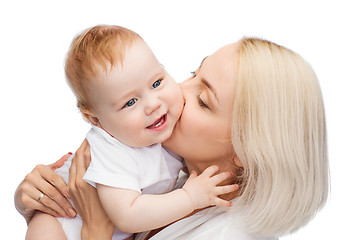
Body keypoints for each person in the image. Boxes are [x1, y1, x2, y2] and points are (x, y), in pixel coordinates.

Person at [15, 36, 329, 239]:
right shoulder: (173, 176)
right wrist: (44, 199)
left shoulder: (226, 234)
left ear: (247, 149)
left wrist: (96, 231)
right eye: (193, 74)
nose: (177, 91)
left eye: (204, 100)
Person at [22, 25, 238, 240]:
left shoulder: (163, 138)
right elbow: (128, 215)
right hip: (61, 222)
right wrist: (190, 197)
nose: (153, 104)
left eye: (156, 83)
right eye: (130, 102)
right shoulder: (111, 150)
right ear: (95, 120)